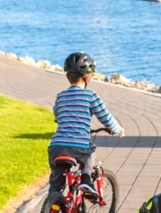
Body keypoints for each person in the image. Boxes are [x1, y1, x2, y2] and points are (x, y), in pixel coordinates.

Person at [48, 52, 124, 199]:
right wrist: (118, 129)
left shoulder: (60, 96)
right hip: (78, 146)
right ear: (88, 77)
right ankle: (86, 180)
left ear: (67, 76)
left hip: (56, 147)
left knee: (56, 184)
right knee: (90, 151)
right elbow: (105, 117)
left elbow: (57, 113)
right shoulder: (91, 95)